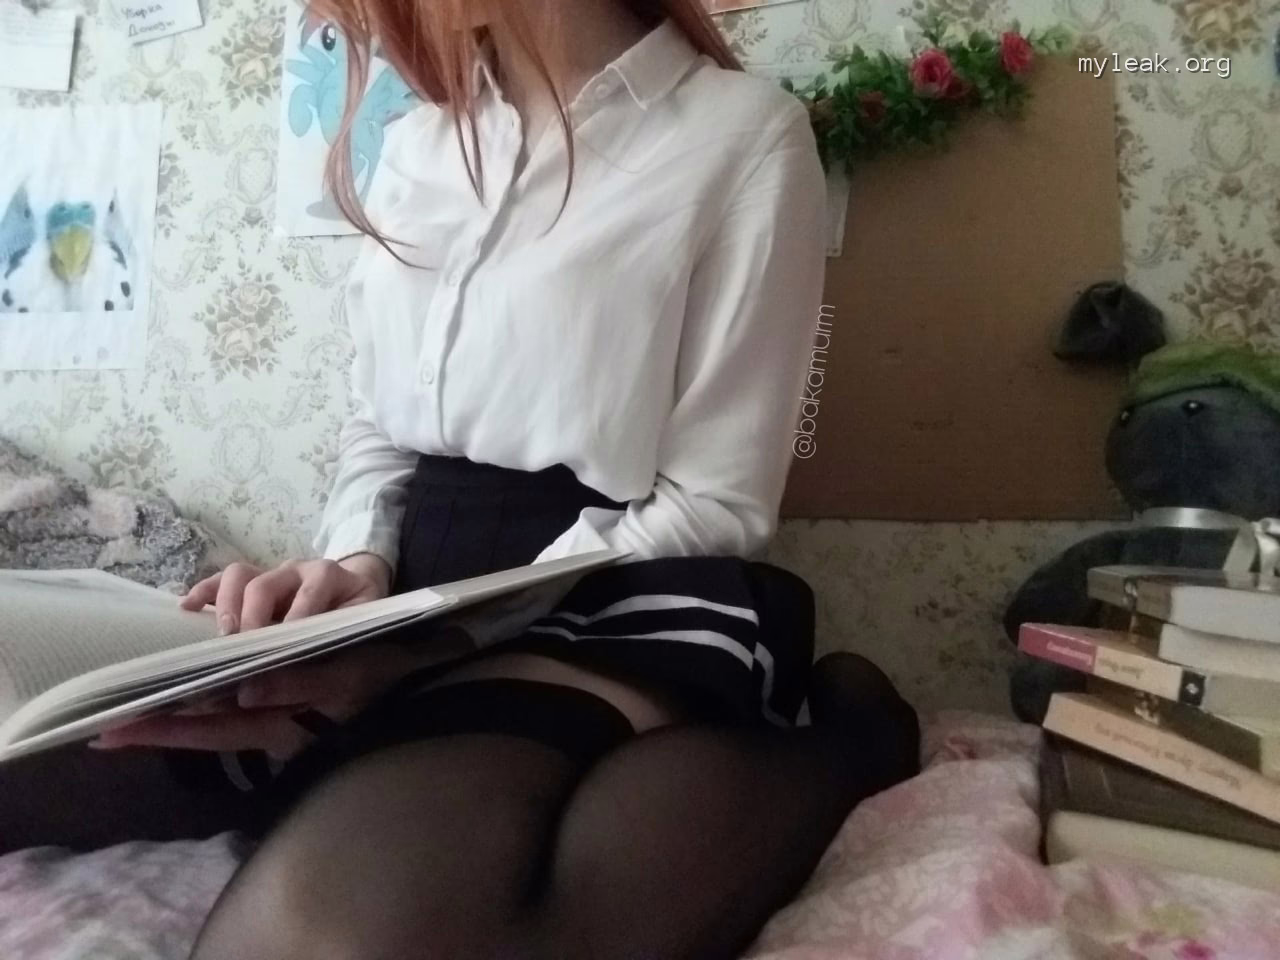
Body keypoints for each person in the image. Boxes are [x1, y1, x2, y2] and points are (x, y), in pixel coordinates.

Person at [0, 1, 920, 956]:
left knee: (328, 934)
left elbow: (717, 500)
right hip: (407, 590)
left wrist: (429, 647)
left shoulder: (744, 132)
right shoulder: (417, 143)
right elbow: (379, 424)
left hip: (617, 586)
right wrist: (354, 569)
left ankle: (854, 744)